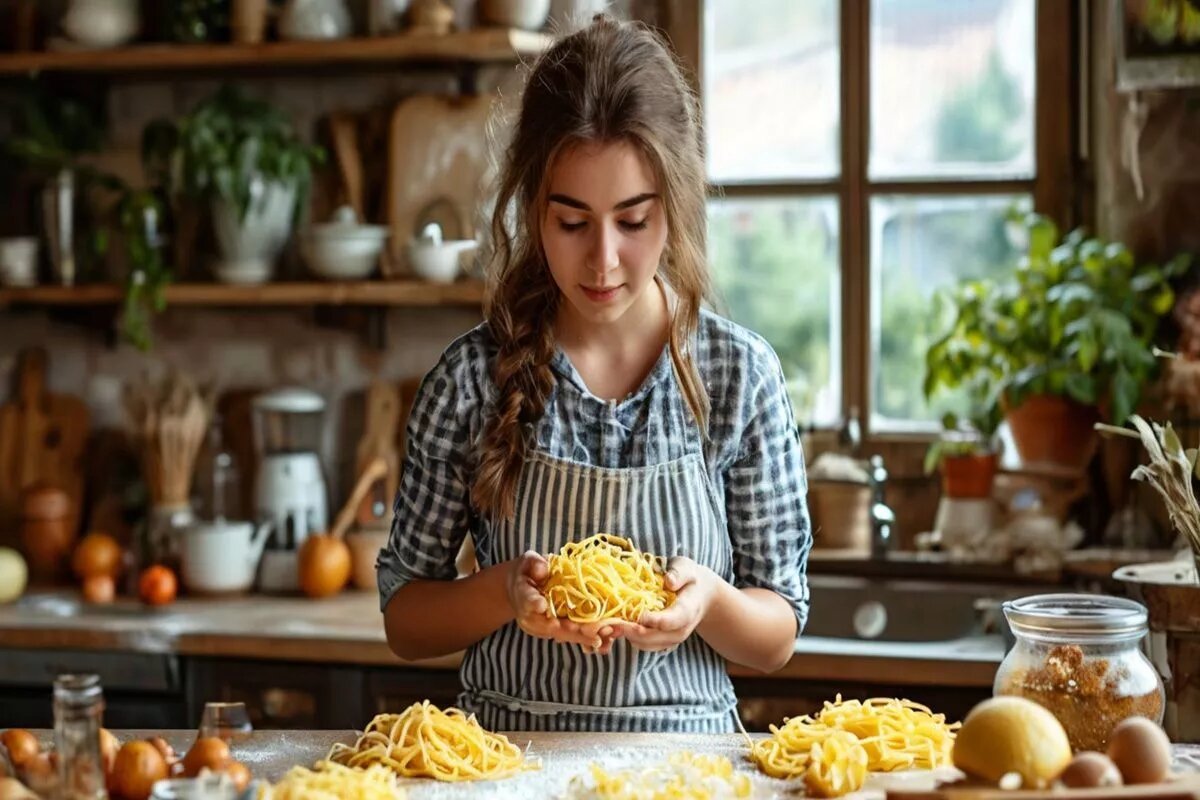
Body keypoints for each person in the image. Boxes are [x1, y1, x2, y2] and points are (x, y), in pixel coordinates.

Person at [377, 14, 811, 734]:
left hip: (687, 771)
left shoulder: (739, 376)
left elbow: (777, 635)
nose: (603, 261)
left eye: (633, 221)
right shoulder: (469, 380)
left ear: (673, 206)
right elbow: (405, 618)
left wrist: (708, 600)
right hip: (507, 767)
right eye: (572, 223)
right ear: (531, 211)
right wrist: (504, 593)